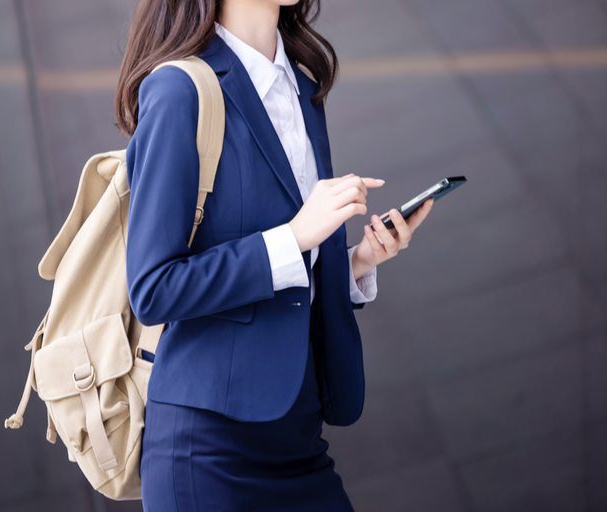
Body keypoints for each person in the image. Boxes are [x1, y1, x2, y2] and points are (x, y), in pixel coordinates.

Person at [116, 0, 435, 509]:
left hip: (299, 433)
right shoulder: (178, 91)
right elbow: (154, 288)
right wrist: (295, 237)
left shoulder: (302, 84)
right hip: (209, 449)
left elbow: (290, 269)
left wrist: (356, 264)